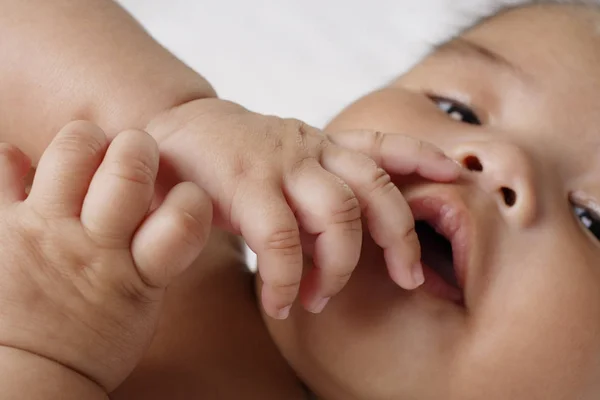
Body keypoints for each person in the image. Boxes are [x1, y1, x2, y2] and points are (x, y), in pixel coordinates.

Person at [2, 1, 600, 399]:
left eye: (591, 216)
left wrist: (41, 358)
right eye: (455, 109)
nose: (496, 157)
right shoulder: (167, 208)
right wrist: (173, 111)